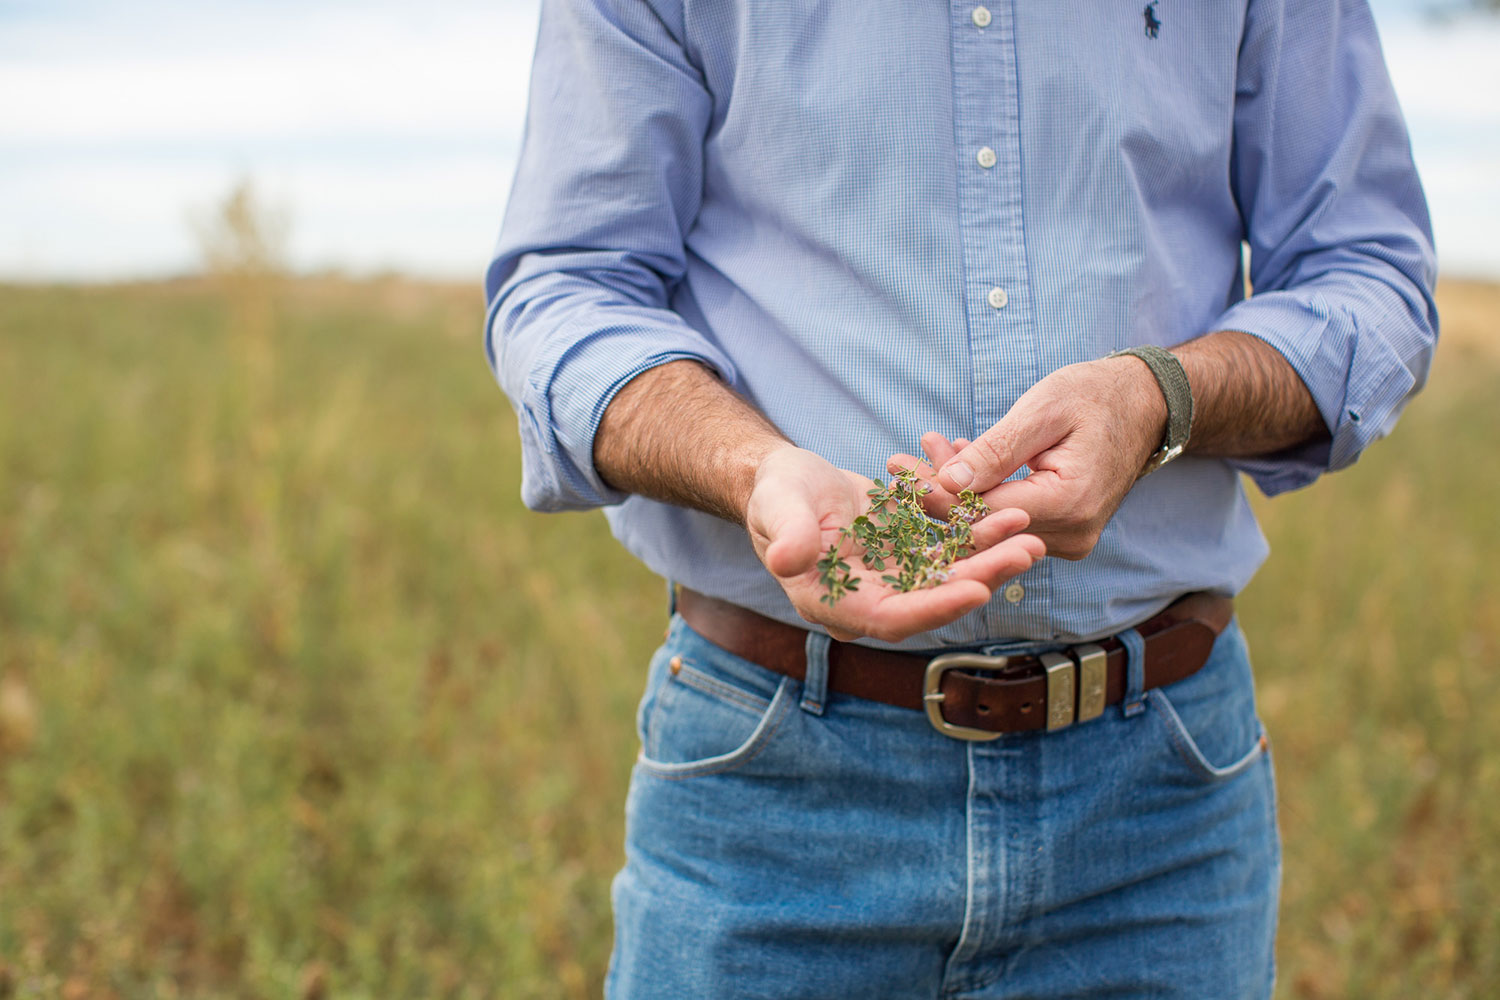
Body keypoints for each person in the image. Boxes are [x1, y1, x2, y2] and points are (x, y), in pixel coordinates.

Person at [485, 0, 1436, 995]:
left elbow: (1368, 275)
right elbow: (566, 287)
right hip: (768, 795)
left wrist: (1161, 398)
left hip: (1158, 813)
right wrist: (751, 468)